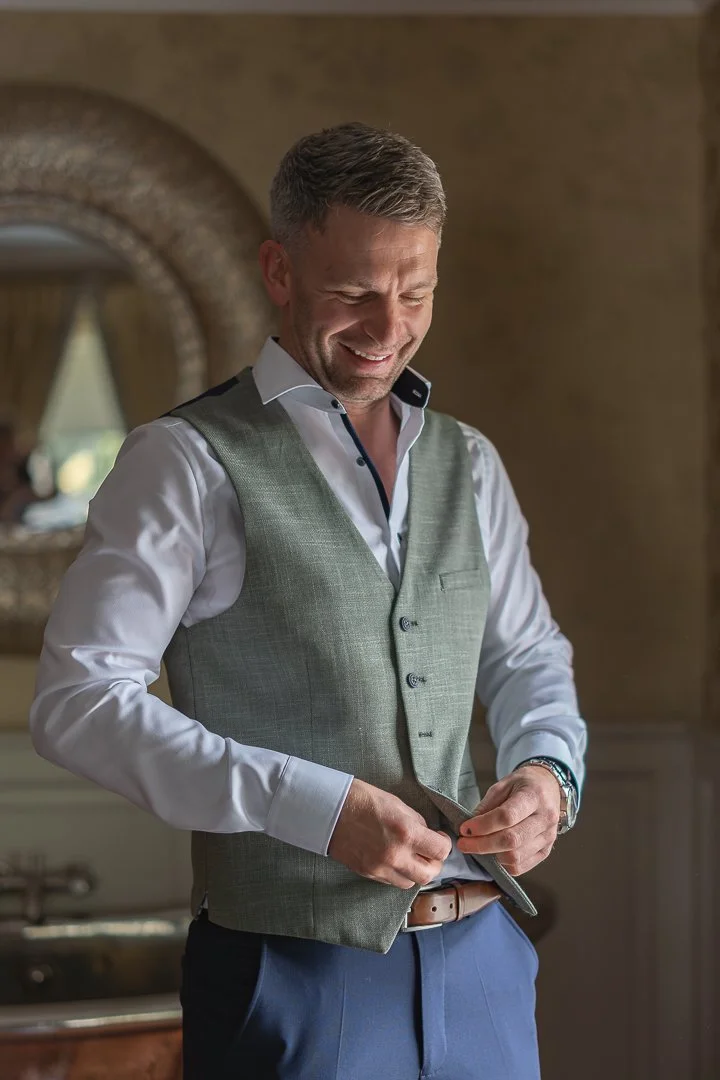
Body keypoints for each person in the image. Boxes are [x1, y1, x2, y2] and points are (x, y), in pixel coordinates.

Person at [30, 122, 587, 1079]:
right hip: (290, 975)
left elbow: (528, 655)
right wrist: (313, 808)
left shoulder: (470, 462)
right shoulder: (185, 463)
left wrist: (550, 775)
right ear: (279, 271)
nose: (387, 330)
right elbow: (77, 704)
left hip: (487, 965)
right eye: (353, 294)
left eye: (415, 293)